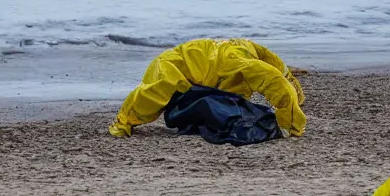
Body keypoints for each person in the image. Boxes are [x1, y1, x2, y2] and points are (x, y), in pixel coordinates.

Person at [109, 38, 307, 138]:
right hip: (183, 67)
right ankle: (125, 121)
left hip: (205, 69)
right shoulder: (170, 69)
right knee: (164, 91)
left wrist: (293, 101)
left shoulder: (240, 59)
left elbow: (275, 73)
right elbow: (276, 75)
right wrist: (123, 122)